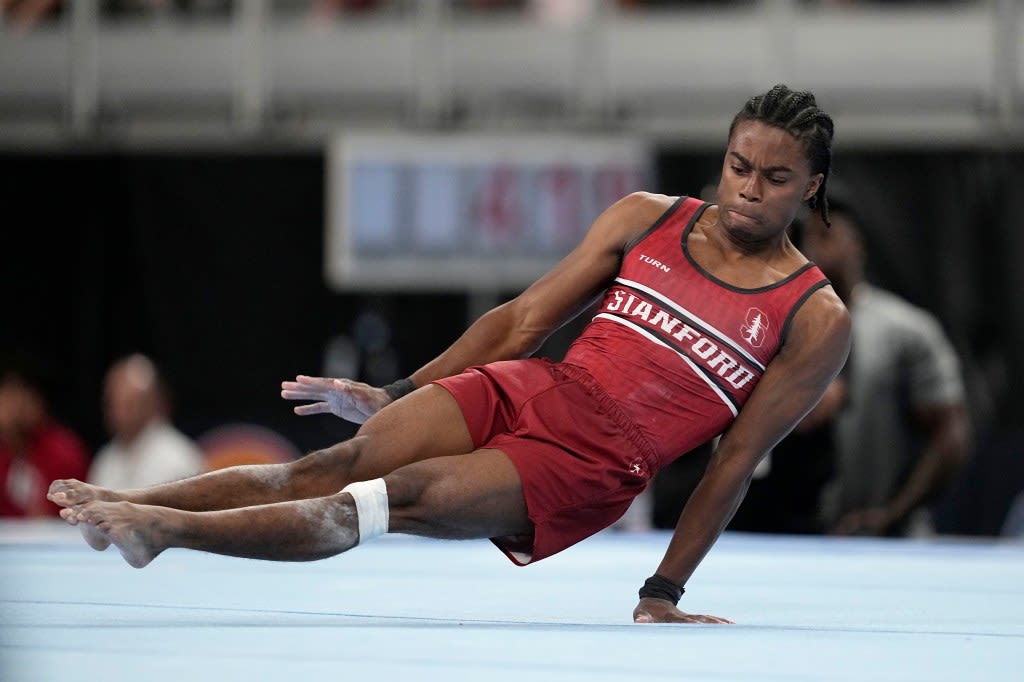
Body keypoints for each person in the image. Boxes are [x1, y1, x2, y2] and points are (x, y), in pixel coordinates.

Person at [48, 84, 851, 624]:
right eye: (738, 166)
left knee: (389, 497)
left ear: (810, 187)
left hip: (596, 462)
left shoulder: (813, 317)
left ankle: (159, 529)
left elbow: (735, 460)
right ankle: (144, 500)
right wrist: (401, 388)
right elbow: (522, 319)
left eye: (775, 178)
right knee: (329, 465)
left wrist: (662, 589)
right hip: (537, 384)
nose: (748, 188)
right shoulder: (649, 217)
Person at [803, 186, 972, 537]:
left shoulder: (905, 330)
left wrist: (894, 512)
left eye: (826, 235)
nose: (814, 249)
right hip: (798, 537)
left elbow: (949, 431)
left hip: (891, 539)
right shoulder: (774, 331)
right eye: (805, 238)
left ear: (858, 245)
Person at [88, 354, 204, 490]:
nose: (119, 413)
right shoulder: (106, 459)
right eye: (113, 403)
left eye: (129, 404)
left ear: (153, 403)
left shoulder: (177, 458)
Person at [0, 358, 90, 517]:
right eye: (7, 398)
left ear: (37, 401)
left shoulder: (64, 451)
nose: (13, 409)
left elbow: (64, 512)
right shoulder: (4, 453)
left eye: (20, 398)